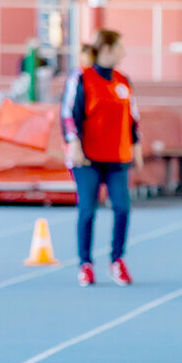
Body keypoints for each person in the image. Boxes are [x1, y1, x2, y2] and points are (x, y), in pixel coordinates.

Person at [61, 29, 143, 287]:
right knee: (87, 211)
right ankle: (85, 264)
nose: (124, 52)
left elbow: (132, 118)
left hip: (117, 158)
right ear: (106, 49)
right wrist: (74, 143)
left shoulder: (123, 81)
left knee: (122, 208)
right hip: (88, 159)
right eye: (120, 47)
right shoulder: (81, 78)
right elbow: (68, 113)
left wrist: (137, 147)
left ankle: (117, 260)